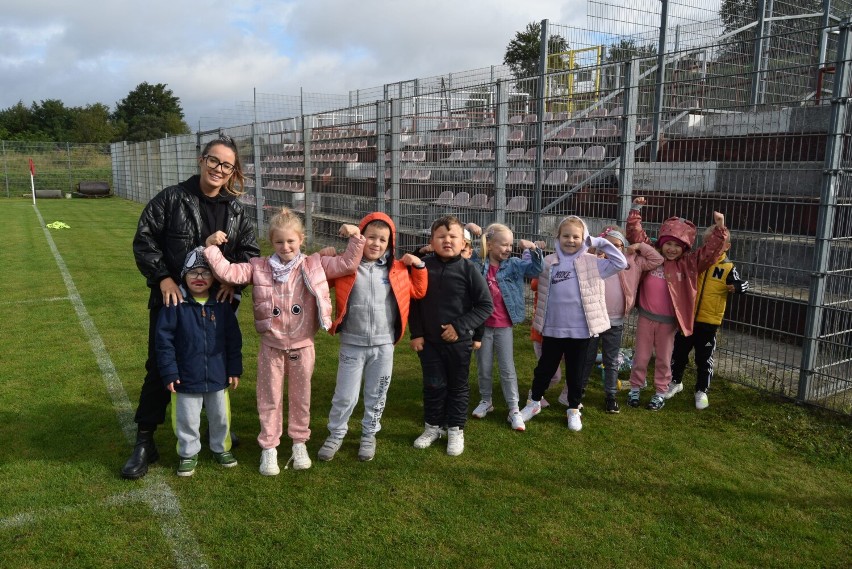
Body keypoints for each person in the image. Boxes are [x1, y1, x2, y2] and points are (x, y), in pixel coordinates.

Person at [124, 135, 260, 480]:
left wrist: (234, 281)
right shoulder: (172, 198)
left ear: (233, 172)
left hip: (217, 307)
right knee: (160, 367)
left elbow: (250, 255)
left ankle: (218, 433)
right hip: (173, 302)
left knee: (216, 366)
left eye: (226, 165)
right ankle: (144, 441)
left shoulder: (237, 211)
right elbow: (145, 239)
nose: (218, 169)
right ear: (202, 160)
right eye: (214, 161)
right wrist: (163, 278)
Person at [205, 208, 365, 475]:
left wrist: (356, 236)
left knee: (301, 398)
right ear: (271, 241)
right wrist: (211, 248)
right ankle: (269, 448)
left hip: (303, 345)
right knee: (269, 398)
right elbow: (230, 274)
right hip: (272, 346)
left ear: (301, 239)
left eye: (291, 241)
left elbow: (347, 264)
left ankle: (299, 443)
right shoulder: (259, 267)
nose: (285, 246)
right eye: (279, 241)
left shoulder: (314, 264)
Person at [316, 212, 428, 462]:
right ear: (361, 238)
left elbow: (419, 291)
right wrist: (323, 257)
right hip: (352, 343)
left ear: (391, 244)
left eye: (383, 240)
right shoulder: (346, 266)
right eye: (371, 237)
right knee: (345, 395)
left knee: (377, 393)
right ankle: (336, 433)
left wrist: (419, 266)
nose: (376, 244)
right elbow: (320, 280)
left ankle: (369, 434)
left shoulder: (398, 270)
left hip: (383, 345)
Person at [519, 215, 627, 432]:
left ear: (584, 238)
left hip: (582, 332)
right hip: (552, 329)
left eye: (576, 236)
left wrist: (598, 242)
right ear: (558, 237)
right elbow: (527, 270)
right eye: (566, 235)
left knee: (576, 373)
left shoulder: (594, 263)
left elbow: (621, 262)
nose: (570, 240)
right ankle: (533, 403)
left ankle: (573, 409)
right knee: (544, 369)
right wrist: (527, 250)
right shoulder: (548, 262)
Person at [625, 197, 729, 411]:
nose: (671, 249)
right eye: (668, 244)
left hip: (668, 323)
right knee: (641, 356)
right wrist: (636, 210)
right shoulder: (653, 255)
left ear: (685, 248)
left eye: (677, 245)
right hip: (646, 317)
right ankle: (635, 387)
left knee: (664, 359)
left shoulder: (688, 264)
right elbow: (636, 235)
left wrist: (720, 228)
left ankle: (661, 391)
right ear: (661, 243)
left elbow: (710, 253)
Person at [409, 215, 493, 456]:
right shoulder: (424, 267)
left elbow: (485, 305)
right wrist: (416, 334)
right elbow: (415, 302)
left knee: (457, 386)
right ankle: (432, 427)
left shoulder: (469, 269)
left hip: (459, 343)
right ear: (431, 241)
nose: (447, 240)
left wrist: (459, 327)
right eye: (441, 236)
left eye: (453, 236)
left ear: (463, 244)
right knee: (433, 385)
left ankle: (455, 429)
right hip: (429, 344)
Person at [156, 248, 242, 476]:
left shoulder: (222, 304)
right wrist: (169, 372)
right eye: (193, 273)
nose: (199, 278)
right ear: (184, 276)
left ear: (214, 277)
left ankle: (221, 448)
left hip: (218, 375)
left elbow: (234, 340)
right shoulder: (176, 304)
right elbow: (164, 342)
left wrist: (234, 369)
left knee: (220, 417)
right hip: (185, 376)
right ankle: (187, 452)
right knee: (186, 418)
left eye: (205, 272)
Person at [579, 226, 663, 414]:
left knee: (611, 360)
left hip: (615, 322)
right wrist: (593, 253)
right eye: (607, 246)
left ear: (624, 248)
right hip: (593, 319)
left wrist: (640, 245)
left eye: (617, 246)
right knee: (587, 357)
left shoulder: (632, 262)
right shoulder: (594, 262)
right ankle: (579, 390)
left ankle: (610, 395)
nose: (612, 250)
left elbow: (658, 259)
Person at [665, 226, 749, 409]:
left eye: (718, 243)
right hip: (688, 319)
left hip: (709, 323)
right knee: (679, 354)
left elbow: (742, 284)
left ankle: (701, 390)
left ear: (727, 246)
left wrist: (738, 287)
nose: (713, 246)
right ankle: (675, 382)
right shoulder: (697, 262)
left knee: (704, 359)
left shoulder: (728, 267)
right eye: (708, 243)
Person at [471, 223, 543, 431]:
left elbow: (536, 269)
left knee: (507, 368)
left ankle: (514, 408)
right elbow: (464, 254)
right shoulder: (479, 263)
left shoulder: (513, 264)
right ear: (490, 244)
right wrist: (468, 231)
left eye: (511, 245)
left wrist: (531, 249)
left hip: (504, 326)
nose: (508, 249)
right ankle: (486, 401)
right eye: (504, 244)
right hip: (482, 327)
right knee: (483, 366)